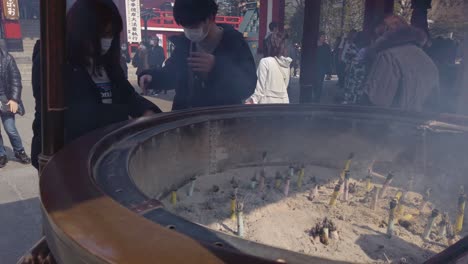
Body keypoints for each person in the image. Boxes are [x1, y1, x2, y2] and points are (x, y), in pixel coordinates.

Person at [63, 0, 161, 143]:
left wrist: (147, 110)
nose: (106, 40)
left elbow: (127, 94)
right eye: (102, 34)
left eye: (111, 34)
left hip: (110, 146)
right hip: (75, 151)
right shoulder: (57, 62)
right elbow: (74, 115)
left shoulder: (108, 63)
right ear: (82, 31)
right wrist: (123, 118)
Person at [139, 0, 256, 110]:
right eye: (185, 26)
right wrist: (152, 78)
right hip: (186, 120)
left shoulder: (234, 42)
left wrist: (216, 67)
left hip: (222, 120)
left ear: (210, 18)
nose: (189, 31)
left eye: (193, 26)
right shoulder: (185, 44)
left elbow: (248, 85)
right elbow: (172, 73)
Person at [363, 15, 439, 112]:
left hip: (393, 124)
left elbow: (375, 103)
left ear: (384, 32)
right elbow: (433, 103)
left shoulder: (388, 57)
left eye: (375, 35)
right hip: (420, 123)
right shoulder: (427, 60)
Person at [0, 47, 31, 167]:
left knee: (10, 128)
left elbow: (16, 80)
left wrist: (14, 99)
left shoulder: (7, 58)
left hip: (6, 98)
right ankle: (2, 154)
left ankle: (19, 151)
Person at [246, 33, 292, 104]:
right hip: (284, 104)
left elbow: (259, 90)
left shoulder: (265, 62)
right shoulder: (286, 64)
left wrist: (251, 101)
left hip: (268, 105)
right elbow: (285, 86)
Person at [313, 32, 332, 103]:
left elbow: (328, 58)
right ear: (319, 37)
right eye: (322, 37)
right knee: (314, 82)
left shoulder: (327, 46)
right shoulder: (314, 45)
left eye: (324, 37)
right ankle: (315, 94)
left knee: (320, 82)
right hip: (314, 66)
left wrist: (329, 70)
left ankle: (317, 98)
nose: (324, 38)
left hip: (322, 67)